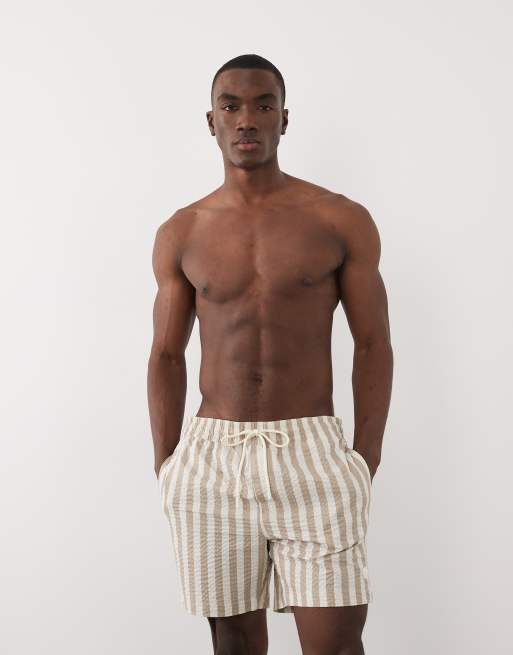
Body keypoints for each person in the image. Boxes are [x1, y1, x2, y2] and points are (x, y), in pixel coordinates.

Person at [147, 53, 393, 655]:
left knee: (336, 643)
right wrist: (168, 465)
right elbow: (166, 355)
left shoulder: (340, 219)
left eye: (263, 106)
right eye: (231, 106)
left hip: (311, 451)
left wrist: (365, 458)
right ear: (211, 121)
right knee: (233, 643)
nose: (247, 119)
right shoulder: (182, 230)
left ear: (285, 118)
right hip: (212, 458)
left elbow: (373, 344)